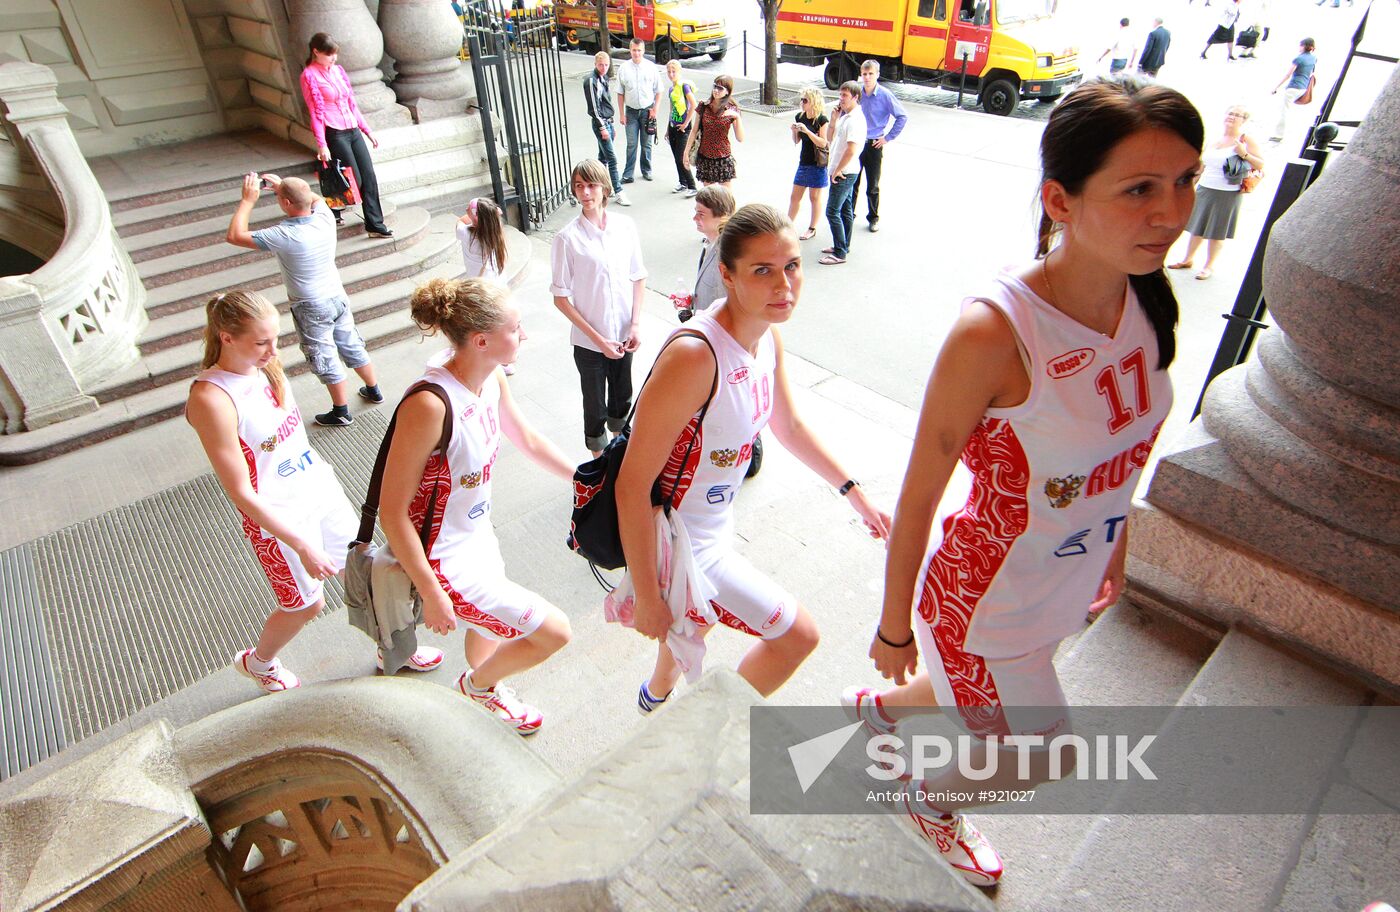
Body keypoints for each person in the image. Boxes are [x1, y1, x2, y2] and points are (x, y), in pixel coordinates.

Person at [844, 77, 1202, 888]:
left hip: (1062, 580)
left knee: (991, 693)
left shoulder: (1146, 296)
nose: (1172, 212)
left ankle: (876, 714)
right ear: (1060, 200)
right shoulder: (995, 332)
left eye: (1184, 180)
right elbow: (922, 485)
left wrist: (1116, 549)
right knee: (1043, 756)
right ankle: (925, 801)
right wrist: (896, 623)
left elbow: (1130, 448)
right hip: (984, 599)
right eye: (1139, 188)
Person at [616, 203, 890, 712]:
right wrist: (649, 600)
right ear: (727, 275)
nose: (783, 284)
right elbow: (630, 484)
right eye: (762, 270)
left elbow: (789, 425)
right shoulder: (696, 355)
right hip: (683, 544)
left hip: (717, 521)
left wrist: (856, 495)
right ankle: (700, 736)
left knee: (694, 619)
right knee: (798, 636)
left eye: (792, 265)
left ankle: (654, 699)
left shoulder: (767, 338)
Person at [186, 291, 444, 694]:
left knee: (366, 572)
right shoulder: (211, 399)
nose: (273, 351)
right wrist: (301, 544)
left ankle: (393, 648)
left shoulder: (268, 370)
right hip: (278, 518)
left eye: (275, 339)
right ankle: (259, 662)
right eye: (261, 343)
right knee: (307, 604)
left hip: (318, 489)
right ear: (227, 337)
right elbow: (239, 490)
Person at [378, 278, 575, 735]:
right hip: (444, 557)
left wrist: (586, 480)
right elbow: (393, 511)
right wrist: (431, 592)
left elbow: (526, 437)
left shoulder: (492, 377)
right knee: (553, 632)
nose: (523, 335)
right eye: (516, 327)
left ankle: (487, 689)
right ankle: (478, 688)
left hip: (478, 533)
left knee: (488, 627)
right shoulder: (429, 404)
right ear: (482, 340)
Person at [226, 172, 381, 427]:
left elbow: (235, 235)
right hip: (337, 296)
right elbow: (313, 199)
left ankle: (341, 411)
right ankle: (373, 389)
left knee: (324, 353)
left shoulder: (282, 235)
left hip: (311, 305)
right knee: (350, 341)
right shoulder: (325, 217)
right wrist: (284, 187)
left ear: (285, 203)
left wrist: (248, 199)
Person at [551, 159, 646, 456]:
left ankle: (621, 455)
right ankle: (599, 465)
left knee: (623, 398)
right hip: (590, 343)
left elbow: (638, 275)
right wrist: (598, 340)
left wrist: (635, 324)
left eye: (591, 185)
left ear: (604, 187)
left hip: (622, 335)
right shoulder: (567, 239)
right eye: (579, 186)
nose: (585, 193)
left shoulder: (624, 226)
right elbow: (561, 298)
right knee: (595, 406)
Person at [300, 32, 392, 239]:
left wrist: (367, 130)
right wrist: (321, 144)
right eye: (329, 54)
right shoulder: (309, 76)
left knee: (369, 176)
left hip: (352, 129)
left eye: (335, 54)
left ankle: (375, 224)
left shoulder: (338, 71)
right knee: (352, 180)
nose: (333, 59)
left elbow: (351, 105)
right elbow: (316, 113)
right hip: (335, 132)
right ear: (316, 52)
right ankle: (331, 209)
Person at [1168, 104, 1263, 279]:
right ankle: (1187, 259)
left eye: (1237, 115)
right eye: (1230, 113)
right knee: (1197, 226)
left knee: (1217, 230)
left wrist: (1244, 154)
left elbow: (1260, 164)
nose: (1232, 117)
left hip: (1228, 192)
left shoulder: (1245, 140)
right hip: (1206, 188)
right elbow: (1201, 165)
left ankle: (1208, 266)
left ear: (1244, 120)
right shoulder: (1215, 139)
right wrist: (1189, 186)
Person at [853, 60, 908, 234]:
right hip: (856, 142)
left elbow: (902, 116)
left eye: (870, 74)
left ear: (877, 74)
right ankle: (849, 214)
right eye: (864, 74)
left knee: (873, 185)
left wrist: (887, 138)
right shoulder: (857, 94)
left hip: (873, 144)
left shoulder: (885, 95)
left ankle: (873, 217)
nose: (867, 77)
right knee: (852, 181)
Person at [820, 81, 868, 266]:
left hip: (845, 172)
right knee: (846, 209)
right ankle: (844, 245)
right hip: (841, 170)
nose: (841, 99)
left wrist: (838, 170)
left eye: (845, 96)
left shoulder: (855, 120)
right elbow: (830, 139)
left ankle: (840, 253)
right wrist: (833, 120)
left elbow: (851, 149)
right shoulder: (845, 116)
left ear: (856, 97)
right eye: (840, 95)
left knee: (832, 211)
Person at [583, 51, 631, 207]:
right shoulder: (591, 81)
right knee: (611, 158)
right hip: (601, 124)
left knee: (602, 159)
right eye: (600, 65)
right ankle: (618, 190)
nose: (603, 68)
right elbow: (594, 108)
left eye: (606, 65)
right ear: (595, 64)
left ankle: (597, 186)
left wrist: (610, 124)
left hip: (607, 122)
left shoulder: (603, 78)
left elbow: (605, 104)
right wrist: (603, 127)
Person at [617, 38, 663, 184]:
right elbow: (620, 92)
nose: (636, 53)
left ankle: (646, 170)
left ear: (643, 51)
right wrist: (621, 114)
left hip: (647, 111)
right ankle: (628, 174)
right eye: (634, 50)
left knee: (646, 143)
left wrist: (655, 109)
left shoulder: (651, 67)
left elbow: (659, 90)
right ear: (630, 50)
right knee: (631, 144)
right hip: (630, 111)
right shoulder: (623, 68)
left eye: (639, 50)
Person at [686, 75, 744, 189]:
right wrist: (686, 153)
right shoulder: (703, 106)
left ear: (727, 92)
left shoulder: (732, 110)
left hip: (723, 158)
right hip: (705, 157)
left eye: (720, 88)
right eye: (715, 86)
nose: (716, 90)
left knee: (726, 198)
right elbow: (694, 131)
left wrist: (737, 117)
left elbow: (740, 138)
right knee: (710, 198)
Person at [788, 88, 830, 242]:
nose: (802, 103)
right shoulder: (800, 116)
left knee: (814, 197)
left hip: (817, 164)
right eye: (801, 100)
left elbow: (823, 142)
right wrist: (794, 131)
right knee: (795, 196)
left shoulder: (821, 120)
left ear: (813, 101)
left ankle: (812, 228)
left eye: (805, 100)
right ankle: (787, 225)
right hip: (804, 162)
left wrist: (807, 131)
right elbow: (797, 141)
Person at [689, 186, 737, 319]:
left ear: (722, 217)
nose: (694, 218)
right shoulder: (710, 243)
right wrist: (692, 299)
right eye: (696, 212)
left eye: (701, 214)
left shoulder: (727, 255)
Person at [1269, 38, 1317, 143]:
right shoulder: (1314, 58)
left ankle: (1278, 135)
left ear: (1304, 46)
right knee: (1286, 110)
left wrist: (1276, 87)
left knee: (1284, 111)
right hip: (1303, 88)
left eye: (1300, 45)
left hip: (1293, 87)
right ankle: (1280, 133)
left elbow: (1288, 74)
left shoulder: (1298, 59)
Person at [663, 59, 698, 197]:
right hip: (673, 127)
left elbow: (694, 105)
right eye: (669, 72)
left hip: (683, 129)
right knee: (675, 156)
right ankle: (682, 183)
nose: (671, 74)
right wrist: (667, 128)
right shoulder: (672, 89)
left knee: (682, 157)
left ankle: (692, 185)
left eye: (674, 72)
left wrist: (685, 123)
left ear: (679, 72)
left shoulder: (684, 87)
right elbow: (672, 110)